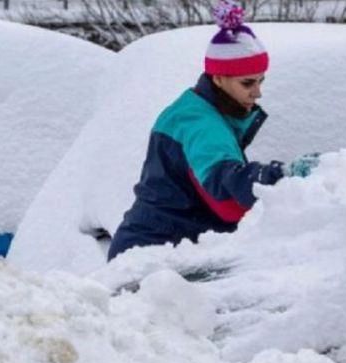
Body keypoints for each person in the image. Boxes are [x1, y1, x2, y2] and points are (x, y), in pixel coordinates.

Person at [108, 2, 288, 261]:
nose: (257, 92)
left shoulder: (197, 109)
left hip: (158, 248)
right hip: (154, 259)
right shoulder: (201, 123)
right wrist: (282, 177)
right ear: (218, 78)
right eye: (247, 83)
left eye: (261, 81)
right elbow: (223, 182)